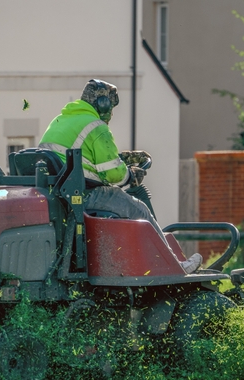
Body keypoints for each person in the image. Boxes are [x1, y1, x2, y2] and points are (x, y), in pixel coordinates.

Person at [38, 79, 202, 274]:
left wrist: (121, 158)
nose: (112, 113)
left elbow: (84, 159)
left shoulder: (61, 121)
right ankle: (174, 266)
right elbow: (114, 174)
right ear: (102, 103)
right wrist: (130, 174)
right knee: (138, 209)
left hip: (59, 195)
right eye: (111, 107)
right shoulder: (95, 126)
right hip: (84, 194)